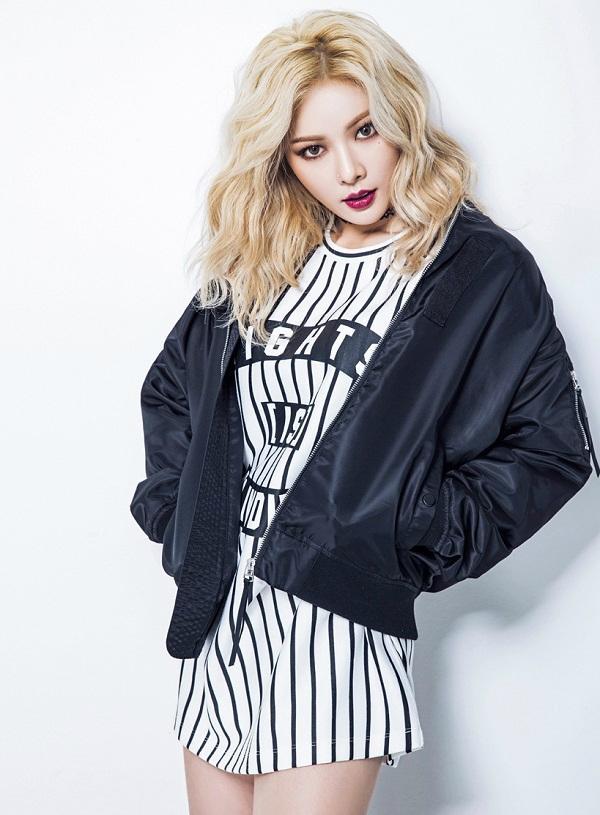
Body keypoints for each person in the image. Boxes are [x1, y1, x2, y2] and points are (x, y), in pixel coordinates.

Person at [129, 10, 598, 815]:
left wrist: (410, 530)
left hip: (338, 628)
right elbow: (175, 392)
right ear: (283, 160)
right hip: (219, 619)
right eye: (312, 149)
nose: (348, 168)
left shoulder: (475, 270)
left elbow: (551, 446)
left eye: (365, 130)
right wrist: (185, 520)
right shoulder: (265, 260)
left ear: (400, 118)